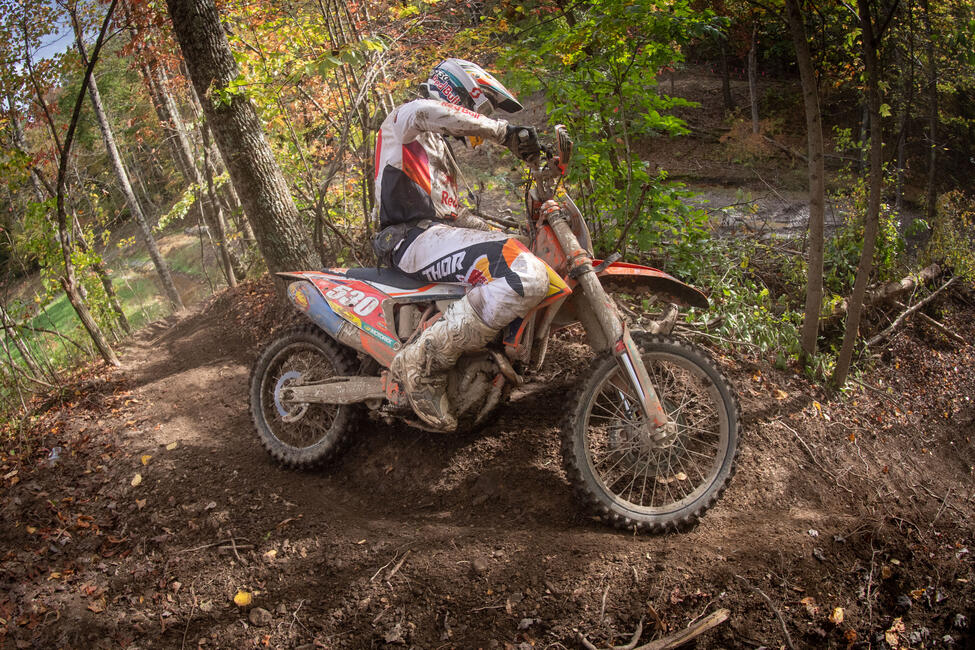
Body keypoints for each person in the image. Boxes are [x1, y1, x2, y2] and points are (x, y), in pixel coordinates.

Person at [373, 58, 549, 431]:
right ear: (457, 90)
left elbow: (454, 217)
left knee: (519, 253)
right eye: (478, 104)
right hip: (410, 238)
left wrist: (508, 231)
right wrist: (502, 131)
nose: (476, 115)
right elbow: (427, 112)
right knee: (525, 274)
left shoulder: (441, 153)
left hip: (432, 237)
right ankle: (422, 363)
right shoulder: (405, 119)